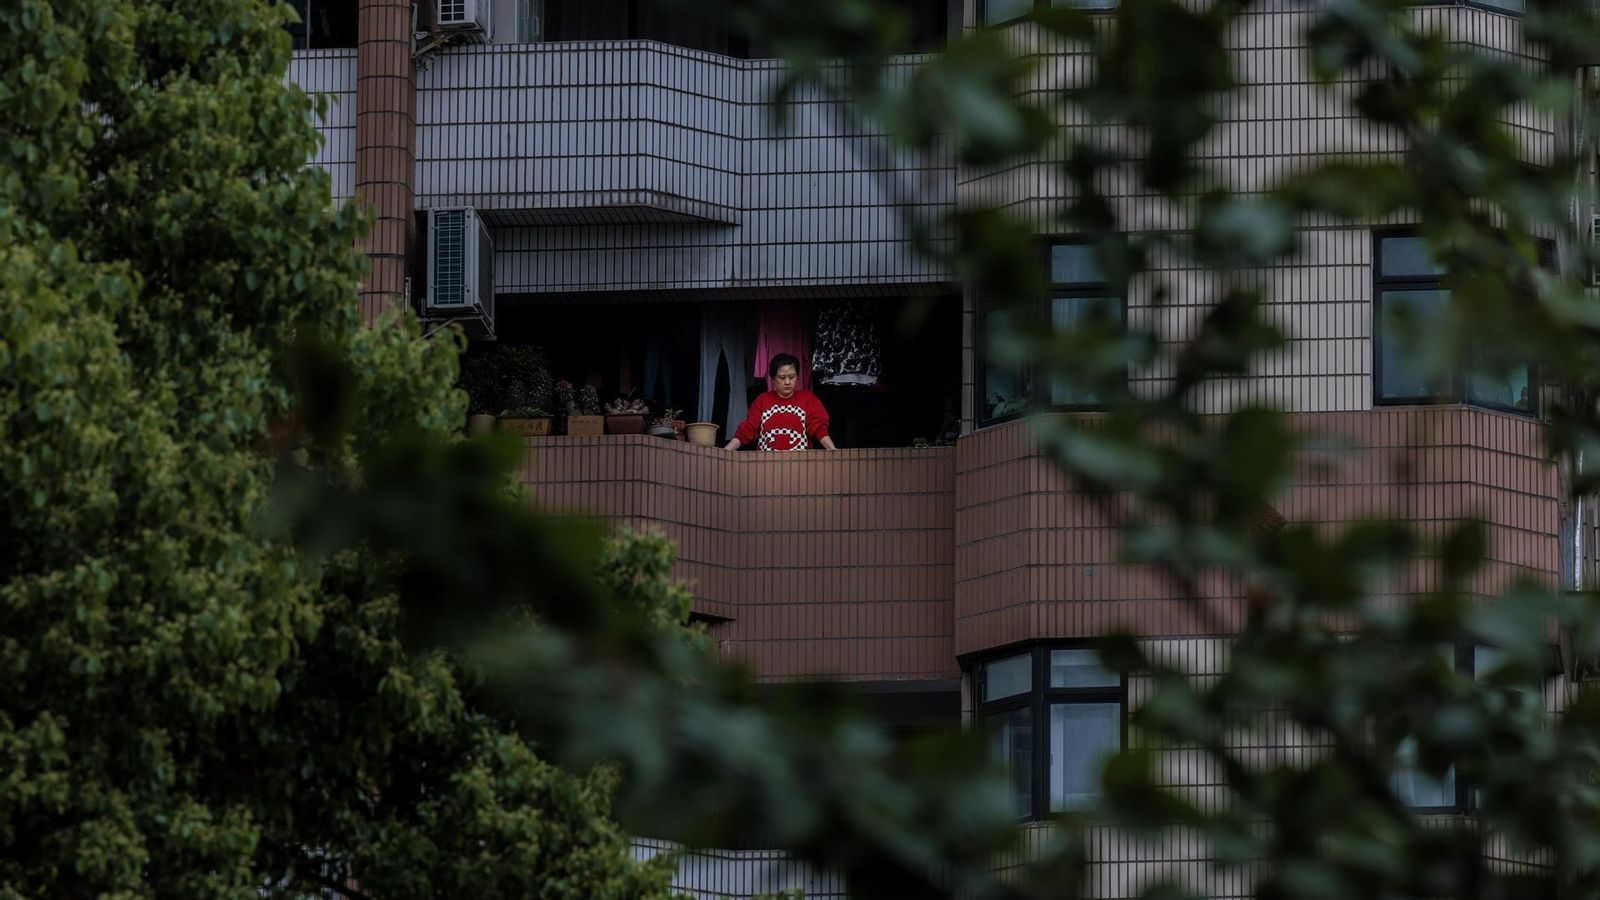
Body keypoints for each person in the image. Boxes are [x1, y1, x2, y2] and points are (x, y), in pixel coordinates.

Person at [724, 353, 838, 451]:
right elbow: (747, 430)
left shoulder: (808, 399)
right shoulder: (762, 400)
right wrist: (726, 451)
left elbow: (819, 428)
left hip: (801, 464)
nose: (787, 382)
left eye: (792, 377)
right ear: (773, 379)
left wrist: (832, 450)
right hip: (765, 464)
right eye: (782, 377)